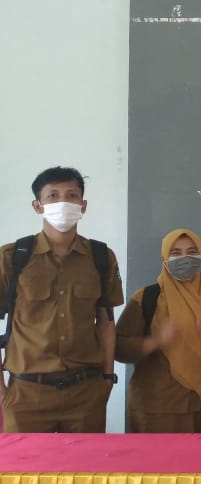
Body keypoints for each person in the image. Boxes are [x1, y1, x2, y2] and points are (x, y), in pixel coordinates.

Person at [0, 166, 123, 432]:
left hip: (86, 392)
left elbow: (106, 323)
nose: (63, 202)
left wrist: (107, 379)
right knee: (27, 461)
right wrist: (1, 390)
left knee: (86, 461)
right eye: (53, 196)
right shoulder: (11, 257)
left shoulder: (101, 257)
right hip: (26, 394)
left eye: (72, 195)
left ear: (83, 205)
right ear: (37, 206)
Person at [115, 228, 201, 433]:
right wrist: (156, 341)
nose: (185, 259)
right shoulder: (147, 298)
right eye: (176, 253)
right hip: (155, 410)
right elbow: (118, 348)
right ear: (165, 259)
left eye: (192, 252)